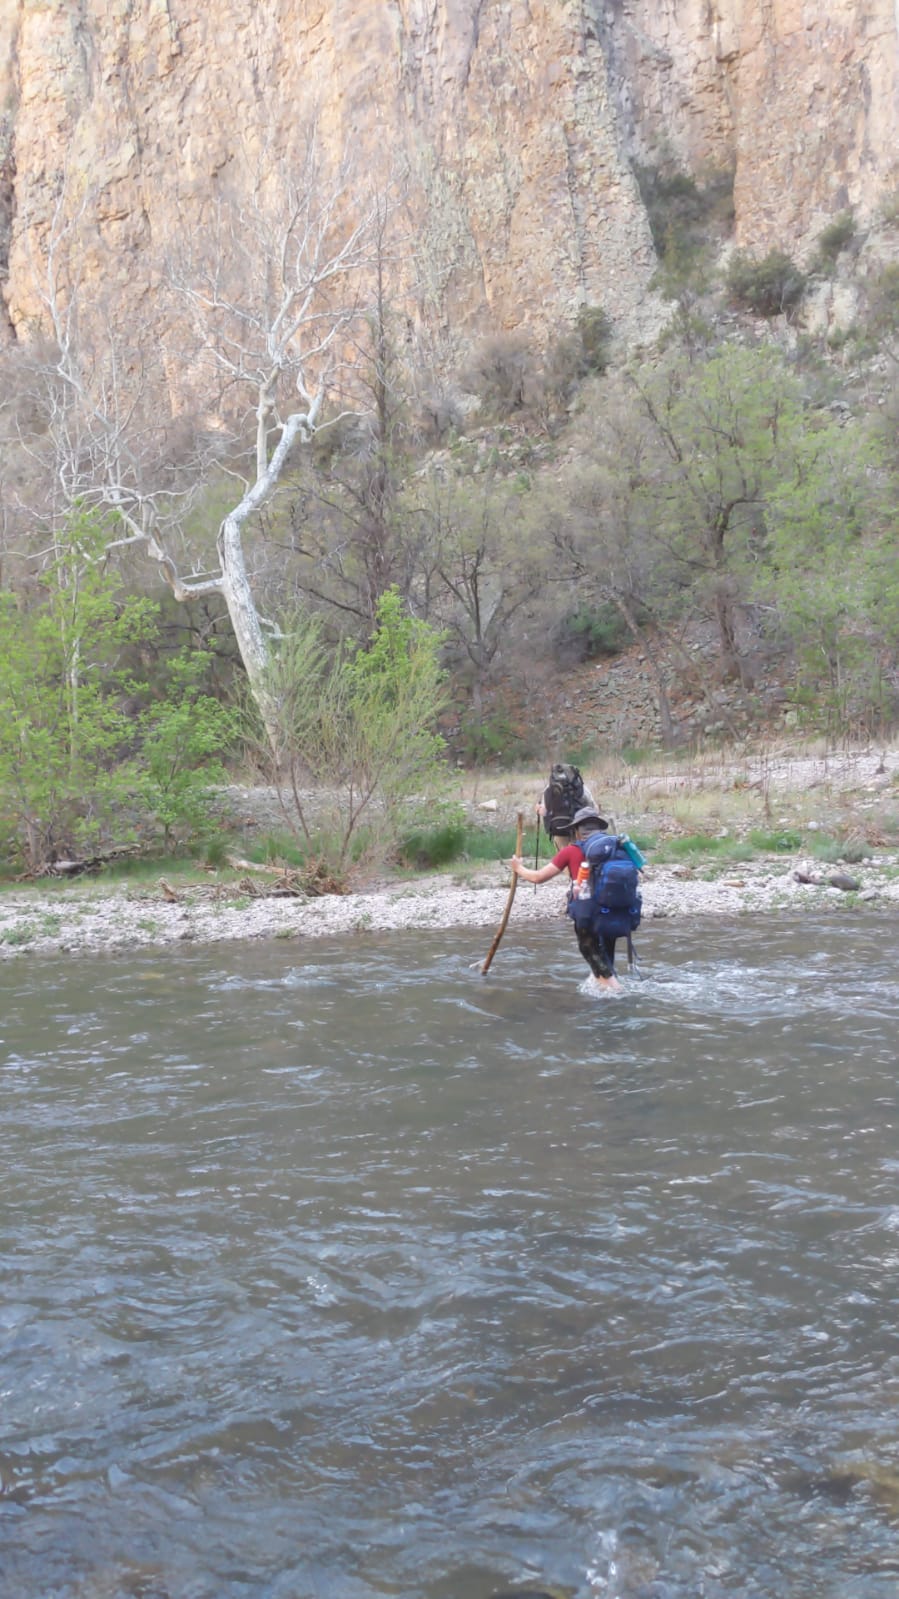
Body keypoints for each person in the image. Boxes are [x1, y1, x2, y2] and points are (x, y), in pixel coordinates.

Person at [510, 805, 623, 993]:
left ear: (577, 832)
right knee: (605, 959)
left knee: (590, 951)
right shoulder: (614, 847)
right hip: (615, 911)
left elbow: (538, 877)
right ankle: (603, 987)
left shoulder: (571, 851)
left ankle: (617, 993)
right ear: (599, 828)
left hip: (588, 914)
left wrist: (518, 868)